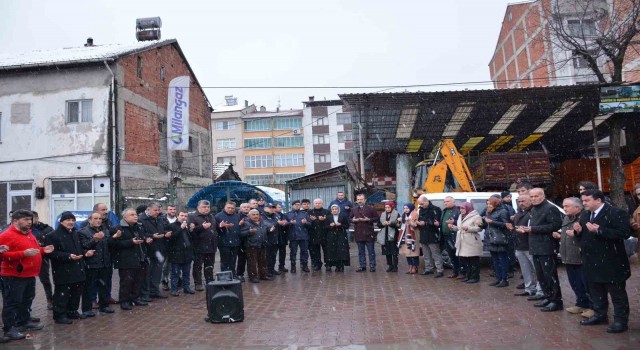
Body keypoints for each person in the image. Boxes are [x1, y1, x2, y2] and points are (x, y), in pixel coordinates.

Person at [575, 189, 631, 333]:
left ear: (598, 200)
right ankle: (600, 315)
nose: (584, 203)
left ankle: (620, 321)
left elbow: (624, 233)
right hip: (591, 262)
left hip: (612, 262)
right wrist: (578, 232)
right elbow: (583, 238)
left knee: (617, 295)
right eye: (583, 200)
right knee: (596, 292)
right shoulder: (585, 214)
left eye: (587, 200)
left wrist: (600, 230)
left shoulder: (616, 213)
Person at [0, 210, 54, 341]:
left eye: (30, 219)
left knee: (27, 299)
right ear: (15, 221)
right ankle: (9, 328)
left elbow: (32, 250)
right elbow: (2, 255)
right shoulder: (6, 235)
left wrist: (42, 250)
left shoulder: (29, 234)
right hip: (13, 275)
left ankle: (23, 322)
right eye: (25, 219)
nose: (29, 222)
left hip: (29, 274)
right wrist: (22, 254)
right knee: (12, 302)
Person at [45, 211, 92, 324]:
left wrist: (85, 253)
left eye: (72, 220)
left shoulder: (75, 233)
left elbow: (80, 248)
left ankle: (72, 311)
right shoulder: (53, 235)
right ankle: (59, 315)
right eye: (68, 220)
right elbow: (50, 253)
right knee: (62, 293)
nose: (71, 222)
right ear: (61, 221)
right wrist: (68, 256)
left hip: (78, 267)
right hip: (63, 269)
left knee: (76, 291)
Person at [526, 188, 564, 312]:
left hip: (546, 247)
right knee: (541, 275)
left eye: (536, 196)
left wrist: (533, 229)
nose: (533, 199)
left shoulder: (550, 208)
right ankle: (547, 296)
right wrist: (527, 229)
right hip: (535, 246)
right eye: (531, 197)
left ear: (543, 196)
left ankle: (556, 300)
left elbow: (555, 225)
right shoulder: (533, 209)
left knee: (550, 275)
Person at [556, 197, 591, 316]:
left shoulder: (584, 217)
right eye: (564, 206)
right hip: (568, 256)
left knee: (585, 283)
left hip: (580, 257)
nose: (564, 208)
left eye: (567, 206)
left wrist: (577, 234)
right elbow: (567, 233)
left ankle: (591, 306)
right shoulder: (567, 217)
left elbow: (588, 236)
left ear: (577, 207)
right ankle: (581, 303)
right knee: (574, 282)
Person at [110, 208, 150, 311]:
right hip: (126, 260)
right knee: (126, 282)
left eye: (135, 214)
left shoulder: (139, 227)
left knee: (138, 280)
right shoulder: (118, 228)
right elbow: (114, 244)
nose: (135, 216)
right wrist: (130, 242)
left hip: (140, 258)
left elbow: (142, 238)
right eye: (132, 215)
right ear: (125, 217)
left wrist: (146, 240)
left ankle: (135, 298)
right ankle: (124, 301)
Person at [79, 212, 115, 316]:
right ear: (89, 220)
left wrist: (114, 238)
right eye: (95, 218)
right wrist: (94, 240)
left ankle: (104, 305)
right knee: (88, 287)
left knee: (103, 286)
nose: (98, 220)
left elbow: (108, 245)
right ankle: (86, 309)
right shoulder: (83, 232)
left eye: (99, 218)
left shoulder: (105, 230)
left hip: (104, 263)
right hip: (91, 264)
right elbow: (84, 246)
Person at [512, 195, 544, 299]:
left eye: (523, 201)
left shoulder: (534, 212)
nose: (521, 203)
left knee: (537, 270)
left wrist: (527, 231)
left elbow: (537, 227)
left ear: (530, 201)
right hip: (520, 244)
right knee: (525, 270)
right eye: (519, 201)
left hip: (530, 245)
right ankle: (529, 288)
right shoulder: (519, 212)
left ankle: (540, 290)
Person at [138, 202, 169, 300]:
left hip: (159, 249)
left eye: (159, 210)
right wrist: (151, 236)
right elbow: (140, 234)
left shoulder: (159, 219)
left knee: (157, 272)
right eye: (155, 210)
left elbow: (162, 229)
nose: (158, 212)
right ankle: (146, 293)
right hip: (148, 250)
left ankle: (155, 291)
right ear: (148, 209)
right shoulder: (141, 220)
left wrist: (165, 233)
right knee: (147, 273)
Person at [188, 200, 218, 288]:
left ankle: (209, 280)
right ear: (198, 207)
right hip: (199, 246)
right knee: (198, 266)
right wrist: (202, 227)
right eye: (204, 207)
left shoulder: (211, 216)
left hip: (211, 245)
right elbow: (191, 231)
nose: (206, 209)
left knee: (209, 265)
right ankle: (198, 283)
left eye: (208, 207)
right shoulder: (192, 217)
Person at [451, 202, 483, 283]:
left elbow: (479, 229)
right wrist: (453, 227)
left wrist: (468, 228)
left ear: (468, 208)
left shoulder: (476, 216)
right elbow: (460, 228)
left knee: (473, 260)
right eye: (460, 208)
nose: (461, 210)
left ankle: (475, 277)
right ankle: (468, 276)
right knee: (466, 260)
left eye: (463, 208)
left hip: (472, 241)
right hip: (463, 241)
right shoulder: (460, 216)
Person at [166, 210, 195, 296]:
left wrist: (192, 230)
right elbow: (171, 238)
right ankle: (174, 289)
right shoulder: (171, 226)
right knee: (175, 273)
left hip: (187, 253)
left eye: (185, 216)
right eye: (182, 215)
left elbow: (192, 239)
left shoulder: (188, 226)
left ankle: (186, 287)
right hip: (176, 254)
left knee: (186, 272)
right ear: (178, 216)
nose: (184, 217)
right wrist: (180, 228)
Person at [483, 198, 511, 287]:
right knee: (495, 260)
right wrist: (481, 224)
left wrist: (493, 222)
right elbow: (486, 225)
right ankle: (498, 278)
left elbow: (507, 225)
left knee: (502, 260)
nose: (488, 206)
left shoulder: (503, 211)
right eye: (487, 204)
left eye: (490, 204)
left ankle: (504, 279)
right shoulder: (488, 212)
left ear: (495, 204)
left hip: (501, 239)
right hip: (491, 238)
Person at [241, 209, 273, 283]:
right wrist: (249, 232)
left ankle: (263, 275)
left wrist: (270, 229)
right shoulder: (246, 223)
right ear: (249, 215)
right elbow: (241, 233)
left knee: (263, 261)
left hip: (262, 244)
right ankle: (253, 277)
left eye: (257, 214)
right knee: (252, 262)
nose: (256, 216)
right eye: (254, 214)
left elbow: (269, 227)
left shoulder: (263, 222)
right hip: (251, 245)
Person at [416, 194, 443, 277]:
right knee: (426, 254)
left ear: (426, 201)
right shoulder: (420, 210)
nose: (421, 206)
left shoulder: (435, 209)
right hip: (423, 234)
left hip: (432, 234)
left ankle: (439, 270)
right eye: (420, 204)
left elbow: (437, 222)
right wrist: (418, 223)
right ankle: (428, 269)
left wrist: (425, 223)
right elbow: (420, 219)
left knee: (435, 253)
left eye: (422, 204)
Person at [31, 211, 54, 310]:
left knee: (45, 279)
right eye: (27, 219)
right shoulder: (24, 230)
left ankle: (50, 299)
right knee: (29, 281)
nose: (30, 221)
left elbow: (53, 241)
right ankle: (27, 305)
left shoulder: (47, 229)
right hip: (28, 258)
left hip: (42, 257)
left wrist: (43, 244)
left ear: (37, 218)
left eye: (32, 218)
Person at [350, 194, 379, 272]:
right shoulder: (353, 209)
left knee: (371, 251)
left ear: (365, 200)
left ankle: (372, 266)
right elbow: (349, 219)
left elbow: (377, 218)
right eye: (358, 199)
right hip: (358, 233)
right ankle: (362, 266)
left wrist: (369, 219)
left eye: (361, 199)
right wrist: (353, 220)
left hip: (369, 233)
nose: (359, 201)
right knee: (360, 251)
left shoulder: (371, 208)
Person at [215, 201, 243, 281]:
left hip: (235, 242)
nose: (230, 209)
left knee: (233, 260)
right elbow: (215, 229)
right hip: (224, 242)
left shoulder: (237, 216)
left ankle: (233, 275)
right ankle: (224, 277)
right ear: (224, 207)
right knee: (225, 261)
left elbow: (239, 227)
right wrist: (221, 226)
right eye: (228, 208)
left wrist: (240, 225)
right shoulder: (218, 216)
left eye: (232, 208)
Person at [285, 200, 311, 273]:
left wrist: (306, 223)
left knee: (304, 252)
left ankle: (305, 266)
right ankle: (293, 266)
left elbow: (310, 224)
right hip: (293, 236)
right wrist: (290, 223)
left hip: (303, 236)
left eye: (299, 205)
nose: (297, 206)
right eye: (295, 204)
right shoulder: (288, 214)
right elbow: (284, 225)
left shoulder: (304, 214)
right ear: (292, 205)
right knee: (293, 252)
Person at [440, 197, 461, 278]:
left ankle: (461, 272)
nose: (445, 203)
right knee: (451, 255)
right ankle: (455, 272)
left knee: (457, 255)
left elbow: (461, 222)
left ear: (453, 202)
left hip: (454, 236)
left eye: (447, 201)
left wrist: (454, 222)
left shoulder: (457, 211)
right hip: (446, 236)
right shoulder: (444, 210)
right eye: (444, 202)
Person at [326, 204, 350, 272]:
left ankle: (341, 265)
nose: (334, 210)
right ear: (331, 211)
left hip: (341, 235)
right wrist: (330, 225)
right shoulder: (328, 217)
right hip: (331, 236)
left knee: (341, 251)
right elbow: (325, 227)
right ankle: (336, 265)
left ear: (338, 210)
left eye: (336, 209)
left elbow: (347, 226)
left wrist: (341, 225)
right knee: (334, 251)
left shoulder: (343, 216)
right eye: (333, 209)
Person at [308, 199, 330, 272]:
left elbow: (330, 221)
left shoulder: (326, 211)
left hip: (325, 234)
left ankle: (328, 265)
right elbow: (307, 223)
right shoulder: (310, 212)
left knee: (326, 251)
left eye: (319, 203)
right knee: (315, 251)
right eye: (316, 203)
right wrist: (310, 220)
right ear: (313, 204)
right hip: (314, 234)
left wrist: (324, 220)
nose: (317, 204)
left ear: (322, 204)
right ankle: (318, 265)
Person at [377, 202, 400, 272]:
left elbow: (398, 225)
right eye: (386, 207)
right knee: (387, 252)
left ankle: (395, 266)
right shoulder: (383, 214)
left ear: (392, 207)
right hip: (385, 235)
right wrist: (383, 224)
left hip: (393, 235)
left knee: (394, 252)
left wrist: (391, 224)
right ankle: (390, 265)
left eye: (389, 207)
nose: (387, 209)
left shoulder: (396, 214)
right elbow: (378, 225)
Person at [161, 204, 178, 291]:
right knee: (165, 266)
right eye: (170, 209)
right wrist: (165, 234)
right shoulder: (162, 220)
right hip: (166, 246)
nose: (172, 211)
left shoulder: (179, 219)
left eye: (174, 209)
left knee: (177, 265)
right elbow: (159, 230)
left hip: (178, 246)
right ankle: (165, 281)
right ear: (167, 210)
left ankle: (177, 281)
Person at [399, 203, 420, 274]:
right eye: (404, 208)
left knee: (414, 251)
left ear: (411, 208)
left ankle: (415, 266)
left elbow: (415, 225)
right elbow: (401, 225)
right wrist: (400, 221)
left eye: (407, 208)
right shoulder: (404, 215)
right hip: (405, 235)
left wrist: (409, 220)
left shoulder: (415, 214)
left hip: (413, 235)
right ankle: (410, 266)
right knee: (407, 251)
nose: (405, 210)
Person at [261, 203, 281, 276]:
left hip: (274, 239)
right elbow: (264, 226)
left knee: (273, 255)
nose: (272, 209)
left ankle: (272, 269)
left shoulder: (275, 216)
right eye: (270, 208)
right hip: (266, 239)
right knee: (267, 256)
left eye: (273, 208)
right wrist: (269, 229)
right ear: (265, 208)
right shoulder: (262, 216)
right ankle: (266, 271)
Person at [236, 202, 251, 281]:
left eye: (248, 207)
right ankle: (240, 274)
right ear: (241, 208)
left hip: (251, 240)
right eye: (244, 207)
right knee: (242, 259)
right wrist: (239, 224)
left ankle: (251, 273)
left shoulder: (253, 215)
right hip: (242, 241)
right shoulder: (238, 217)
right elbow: (236, 229)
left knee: (251, 259)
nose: (246, 208)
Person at [274, 203, 289, 273]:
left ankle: (282, 266)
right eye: (278, 207)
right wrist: (278, 223)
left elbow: (287, 224)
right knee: (273, 253)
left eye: (281, 207)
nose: (280, 208)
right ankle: (272, 268)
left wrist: (285, 223)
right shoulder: (272, 215)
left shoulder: (283, 215)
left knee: (283, 253)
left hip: (282, 236)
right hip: (275, 236)